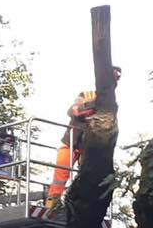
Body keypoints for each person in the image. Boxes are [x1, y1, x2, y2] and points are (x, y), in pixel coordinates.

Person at [49, 66, 122, 205]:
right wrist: (90, 108)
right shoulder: (86, 95)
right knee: (60, 175)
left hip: (89, 147)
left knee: (86, 177)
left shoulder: (111, 104)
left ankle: (77, 204)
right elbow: (73, 111)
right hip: (71, 141)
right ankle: (52, 204)